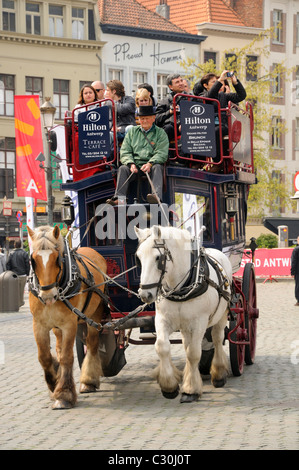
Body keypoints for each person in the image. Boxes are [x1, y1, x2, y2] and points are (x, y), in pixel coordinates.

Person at [106, 105, 169, 205]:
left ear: (153, 118)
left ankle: (156, 196)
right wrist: (131, 164)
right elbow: (125, 151)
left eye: (147, 118)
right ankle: (120, 199)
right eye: (142, 118)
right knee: (123, 169)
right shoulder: (132, 132)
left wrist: (150, 163)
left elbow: (162, 152)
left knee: (157, 167)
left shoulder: (160, 133)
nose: (144, 121)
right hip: (135, 166)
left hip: (151, 165)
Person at [199, 70, 247, 162]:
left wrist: (235, 82)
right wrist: (220, 79)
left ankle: (219, 161)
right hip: (207, 125)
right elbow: (209, 97)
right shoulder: (201, 96)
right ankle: (217, 161)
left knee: (218, 130)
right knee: (213, 130)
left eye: (218, 82)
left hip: (223, 125)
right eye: (214, 82)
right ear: (205, 85)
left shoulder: (223, 96)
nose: (219, 84)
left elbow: (241, 96)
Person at [155, 73, 186, 141]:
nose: (181, 83)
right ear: (170, 87)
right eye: (177, 82)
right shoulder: (165, 101)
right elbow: (157, 118)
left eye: (181, 81)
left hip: (188, 127)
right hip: (172, 129)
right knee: (168, 128)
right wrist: (170, 112)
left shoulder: (190, 98)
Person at [291, 236, 299, 306]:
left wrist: (292, 271)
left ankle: (298, 300)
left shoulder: (296, 249)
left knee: (298, 286)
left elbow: (294, 261)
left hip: (298, 271)